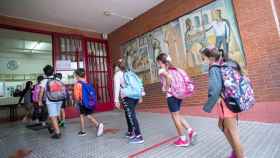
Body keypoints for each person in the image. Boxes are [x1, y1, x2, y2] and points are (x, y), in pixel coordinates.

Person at [200, 47, 245, 158]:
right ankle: (235, 152)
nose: (202, 61)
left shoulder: (214, 68)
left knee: (232, 132)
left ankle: (239, 155)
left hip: (227, 104)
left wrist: (207, 106)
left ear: (210, 58)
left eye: (203, 58)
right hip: (227, 102)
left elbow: (215, 90)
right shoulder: (221, 65)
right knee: (222, 126)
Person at [156, 53, 197, 147]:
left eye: (158, 62)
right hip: (179, 95)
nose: (158, 64)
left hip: (171, 96)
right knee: (178, 114)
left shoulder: (162, 70)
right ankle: (191, 131)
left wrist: (166, 88)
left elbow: (169, 79)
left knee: (175, 117)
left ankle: (183, 139)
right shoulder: (176, 69)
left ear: (160, 61)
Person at [114, 59, 145, 144]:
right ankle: (131, 132)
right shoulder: (130, 72)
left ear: (117, 67)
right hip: (135, 96)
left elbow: (117, 88)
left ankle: (139, 136)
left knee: (131, 115)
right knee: (129, 114)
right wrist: (141, 95)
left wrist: (116, 100)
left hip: (127, 97)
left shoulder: (118, 74)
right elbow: (139, 82)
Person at [73, 68, 104, 137]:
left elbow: (76, 96)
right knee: (87, 115)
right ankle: (94, 126)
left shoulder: (77, 84)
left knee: (83, 115)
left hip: (82, 103)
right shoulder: (86, 82)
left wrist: (76, 102)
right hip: (87, 102)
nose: (75, 77)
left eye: (75, 75)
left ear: (77, 76)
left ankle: (95, 126)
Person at [38, 65, 63, 139]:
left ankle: (57, 133)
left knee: (53, 116)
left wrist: (39, 101)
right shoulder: (57, 79)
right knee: (55, 115)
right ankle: (52, 128)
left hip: (50, 100)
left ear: (45, 73)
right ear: (53, 72)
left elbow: (41, 92)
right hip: (59, 99)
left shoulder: (44, 81)